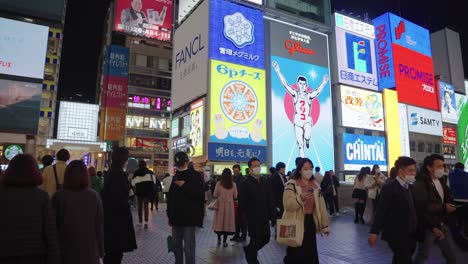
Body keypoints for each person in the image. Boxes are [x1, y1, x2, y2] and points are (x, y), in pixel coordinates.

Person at [0, 154, 60, 264]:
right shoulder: (42, 196)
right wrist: (54, 257)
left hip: (5, 252)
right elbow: (50, 231)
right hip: (35, 255)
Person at [272, 60, 329, 157]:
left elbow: (318, 91)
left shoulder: (309, 95)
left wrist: (324, 82)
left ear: (306, 85)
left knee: (307, 134)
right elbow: (285, 84)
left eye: (304, 84)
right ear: (298, 84)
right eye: (300, 84)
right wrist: (278, 71)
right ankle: (302, 160)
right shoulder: (295, 94)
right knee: (300, 144)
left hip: (307, 119)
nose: (302, 86)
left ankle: (307, 139)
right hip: (298, 120)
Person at [368, 156, 418, 264]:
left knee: (399, 259)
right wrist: (374, 232)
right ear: (400, 171)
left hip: (411, 233)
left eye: (414, 170)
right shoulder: (389, 188)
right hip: (395, 234)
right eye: (410, 170)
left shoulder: (411, 188)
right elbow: (381, 210)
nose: (413, 173)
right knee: (406, 260)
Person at [52, 160, 104, 264]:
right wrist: (101, 251)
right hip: (89, 251)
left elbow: (53, 227)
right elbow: (99, 225)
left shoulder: (59, 196)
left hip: (65, 251)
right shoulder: (94, 196)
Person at [283, 158, 330, 264]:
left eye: (311, 168)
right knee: (295, 252)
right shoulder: (291, 185)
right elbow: (288, 205)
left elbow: (321, 207)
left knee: (310, 252)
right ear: (299, 170)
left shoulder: (315, 186)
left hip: (310, 222)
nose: (309, 171)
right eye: (306, 168)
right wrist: (300, 199)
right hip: (295, 221)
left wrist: (325, 226)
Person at [413, 154, 457, 264]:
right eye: (438, 166)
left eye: (443, 166)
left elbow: (444, 198)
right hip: (429, 225)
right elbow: (422, 207)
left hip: (441, 222)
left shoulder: (441, 180)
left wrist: (449, 204)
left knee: (450, 254)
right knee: (423, 254)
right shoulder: (421, 183)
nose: (442, 168)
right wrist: (433, 226)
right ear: (429, 167)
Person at [167, 152, 205, 264]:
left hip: (189, 218)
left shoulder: (196, 176)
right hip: (176, 218)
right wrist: (169, 215)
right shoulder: (176, 176)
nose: (179, 166)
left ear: (187, 162)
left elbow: (200, 195)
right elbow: (171, 198)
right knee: (176, 245)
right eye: (177, 164)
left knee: (189, 247)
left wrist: (184, 186)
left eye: (181, 164)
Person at [101, 147, 137, 264]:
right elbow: (120, 199)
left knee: (112, 253)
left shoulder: (111, 173)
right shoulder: (119, 175)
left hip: (109, 220)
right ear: (123, 159)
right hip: (117, 222)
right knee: (114, 255)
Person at [239, 157, 276, 264]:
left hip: (264, 216)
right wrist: (245, 218)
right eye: (254, 166)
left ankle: (249, 251)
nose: (257, 168)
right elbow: (242, 203)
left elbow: (270, 199)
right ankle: (253, 260)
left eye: (258, 165)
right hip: (253, 218)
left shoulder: (265, 181)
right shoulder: (245, 183)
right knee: (255, 239)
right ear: (250, 168)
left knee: (266, 238)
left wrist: (272, 214)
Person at [213, 168, 238, 247]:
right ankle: (224, 241)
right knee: (227, 222)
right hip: (229, 206)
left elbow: (215, 195)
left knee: (220, 222)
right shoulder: (233, 184)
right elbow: (235, 196)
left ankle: (219, 239)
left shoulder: (218, 184)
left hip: (220, 205)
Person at [132, 160, 155, 229]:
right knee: (146, 207)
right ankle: (146, 222)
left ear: (139, 165)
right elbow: (153, 182)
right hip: (147, 192)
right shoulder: (150, 172)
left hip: (139, 192)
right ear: (145, 165)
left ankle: (140, 222)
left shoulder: (136, 173)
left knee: (139, 207)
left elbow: (133, 183)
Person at [449, 162, 468, 237]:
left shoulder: (450, 175)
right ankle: (466, 234)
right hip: (466, 201)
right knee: (466, 219)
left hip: (454, 201)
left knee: (458, 218)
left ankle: (458, 231)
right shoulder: (466, 174)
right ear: (463, 168)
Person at [232, 164, 247, 242]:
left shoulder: (243, 179)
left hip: (242, 202)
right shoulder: (233, 179)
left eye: (237, 171)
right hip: (235, 202)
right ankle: (236, 234)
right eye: (234, 171)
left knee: (243, 220)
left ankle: (243, 236)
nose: (235, 172)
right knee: (236, 220)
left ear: (239, 170)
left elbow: (244, 191)